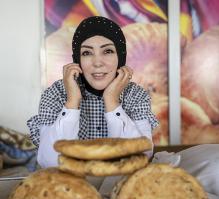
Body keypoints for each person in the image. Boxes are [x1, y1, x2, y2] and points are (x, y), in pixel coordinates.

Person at [27, 16, 159, 168]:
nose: (97, 63)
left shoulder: (135, 95)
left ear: (120, 56)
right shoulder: (55, 94)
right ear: (77, 59)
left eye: (107, 51)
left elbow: (142, 154)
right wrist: (72, 102)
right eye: (87, 53)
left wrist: (112, 102)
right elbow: (49, 162)